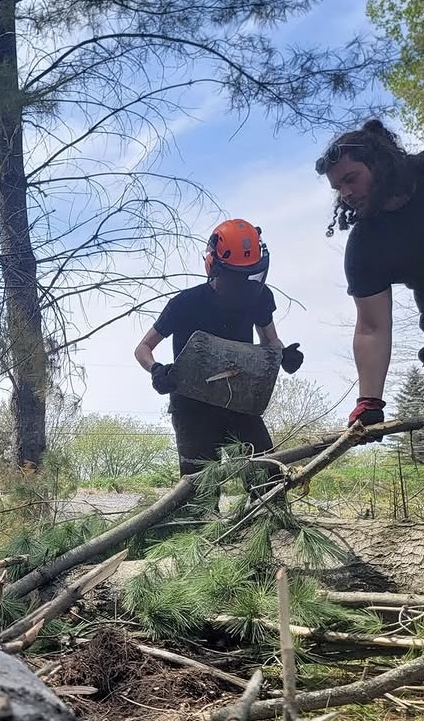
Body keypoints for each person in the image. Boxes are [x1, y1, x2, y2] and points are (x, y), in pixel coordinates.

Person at [133, 218, 304, 475]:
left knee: (266, 475)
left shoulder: (258, 297)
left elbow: (271, 341)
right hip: (192, 408)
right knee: (200, 486)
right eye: (233, 277)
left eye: (247, 276)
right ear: (214, 266)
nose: (240, 285)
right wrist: (156, 370)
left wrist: (284, 356)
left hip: (240, 400)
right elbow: (143, 348)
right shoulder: (185, 303)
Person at [316, 118, 424, 428]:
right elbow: (371, 328)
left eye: (351, 179)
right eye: (338, 188)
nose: (346, 194)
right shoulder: (366, 245)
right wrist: (369, 401)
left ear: (379, 164)